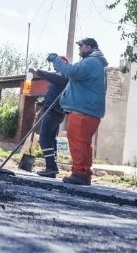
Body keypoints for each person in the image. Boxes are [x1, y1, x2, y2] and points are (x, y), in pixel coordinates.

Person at [46, 38, 108, 186]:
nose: (79, 50)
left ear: (88, 47)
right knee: (84, 143)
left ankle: (79, 173)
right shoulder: (97, 63)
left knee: (78, 141)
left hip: (83, 111)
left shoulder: (91, 62)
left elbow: (73, 72)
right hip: (91, 111)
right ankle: (84, 172)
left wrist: (56, 60)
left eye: (81, 47)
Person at [29, 57, 69, 178]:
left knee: (44, 138)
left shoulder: (64, 75)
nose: (54, 66)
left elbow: (52, 76)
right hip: (52, 110)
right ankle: (52, 167)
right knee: (51, 139)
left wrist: (37, 71)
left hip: (54, 111)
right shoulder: (61, 77)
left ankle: (51, 167)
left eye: (56, 63)